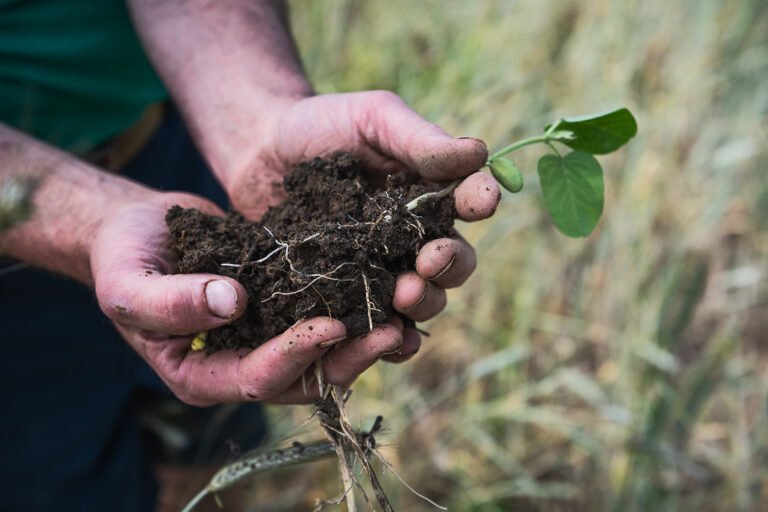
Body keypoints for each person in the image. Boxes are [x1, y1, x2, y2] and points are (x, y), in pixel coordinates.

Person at [0, 1, 500, 510]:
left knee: (212, 446)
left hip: (182, 138)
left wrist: (259, 112)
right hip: (12, 271)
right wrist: (82, 218)